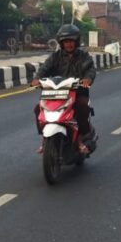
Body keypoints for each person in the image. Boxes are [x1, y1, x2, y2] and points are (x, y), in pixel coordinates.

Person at [32, 23, 97, 153]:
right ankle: (45, 139)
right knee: (38, 108)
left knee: (82, 107)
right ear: (61, 43)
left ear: (76, 42)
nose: (69, 44)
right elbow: (44, 68)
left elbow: (90, 69)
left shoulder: (84, 56)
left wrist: (87, 79)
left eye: (71, 41)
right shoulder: (55, 57)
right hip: (56, 93)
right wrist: (37, 79)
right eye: (66, 41)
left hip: (77, 92)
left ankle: (80, 139)